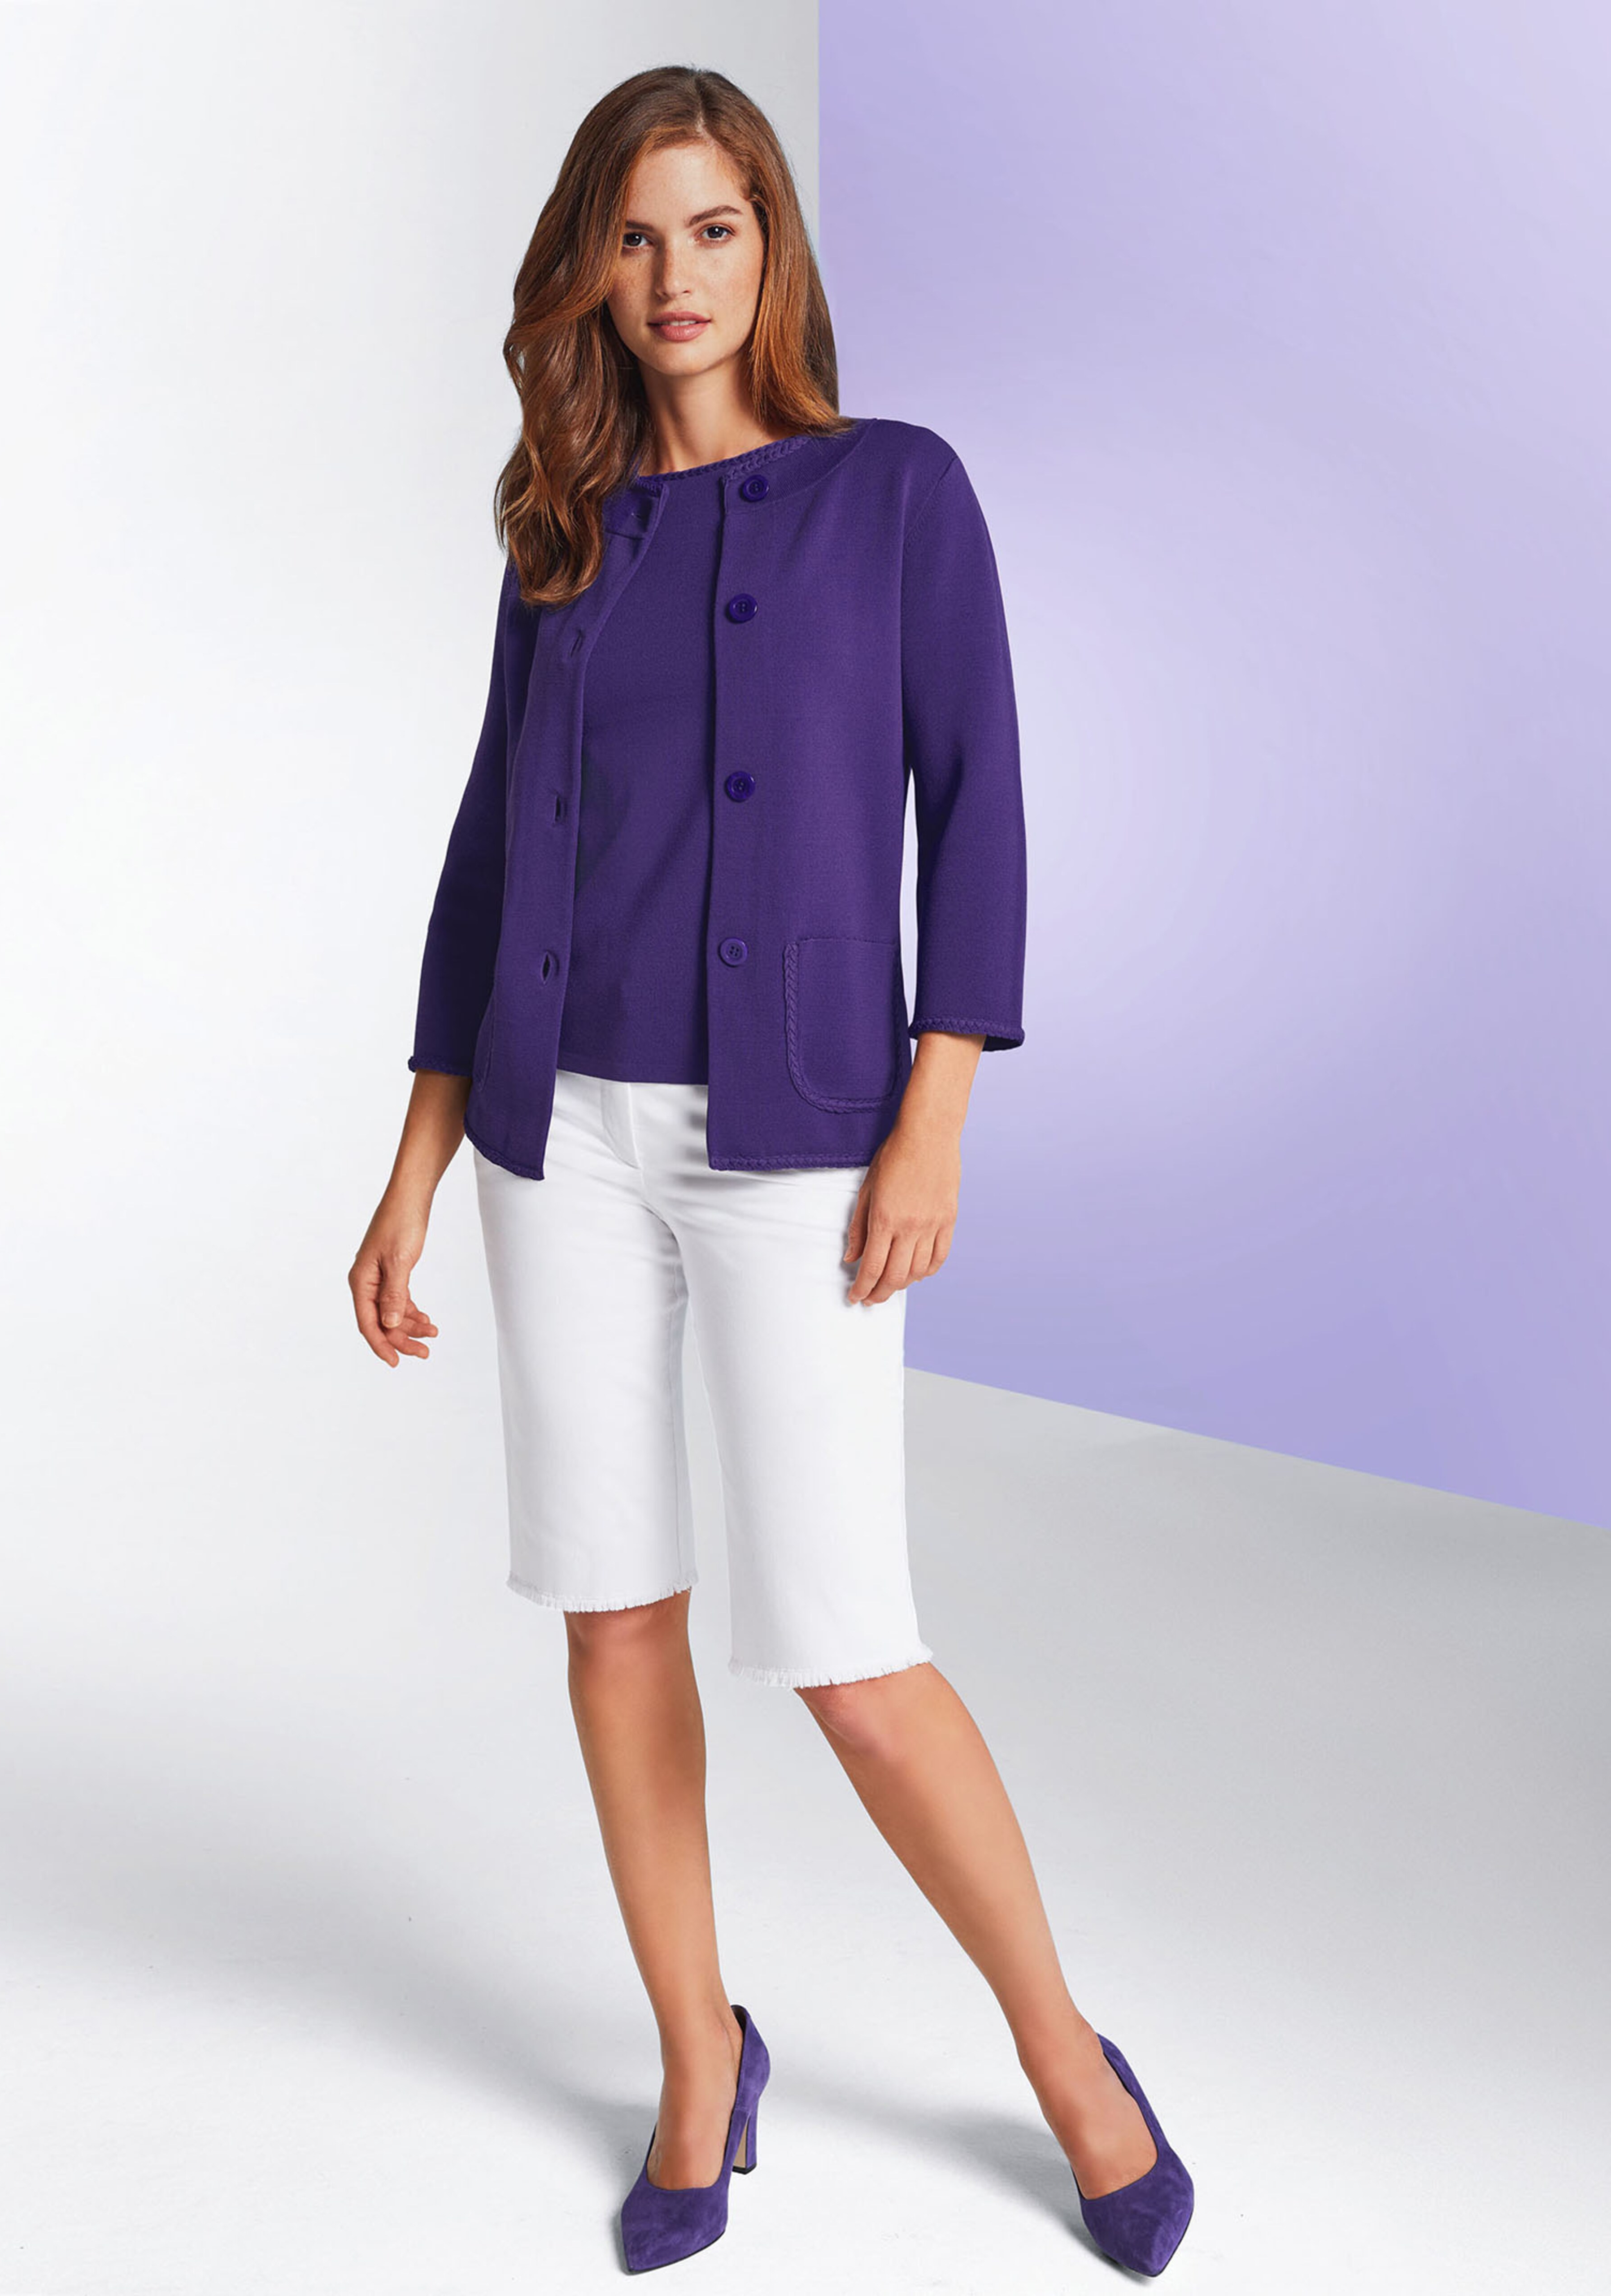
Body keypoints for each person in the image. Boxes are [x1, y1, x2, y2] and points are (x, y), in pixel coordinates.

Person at [349, 63, 1193, 2279]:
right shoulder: (562, 528)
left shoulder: (895, 494)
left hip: (799, 1138)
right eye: (634, 235)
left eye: (712, 227)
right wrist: (417, 1159)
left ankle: (1067, 2058)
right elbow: (485, 850)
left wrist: (935, 1113)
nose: (674, 276)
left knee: (845, 1644)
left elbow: (976, 805)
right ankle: (697, 2055)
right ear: (589, 267)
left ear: (771, 245)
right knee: (613, 1612)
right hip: (557, 1139)